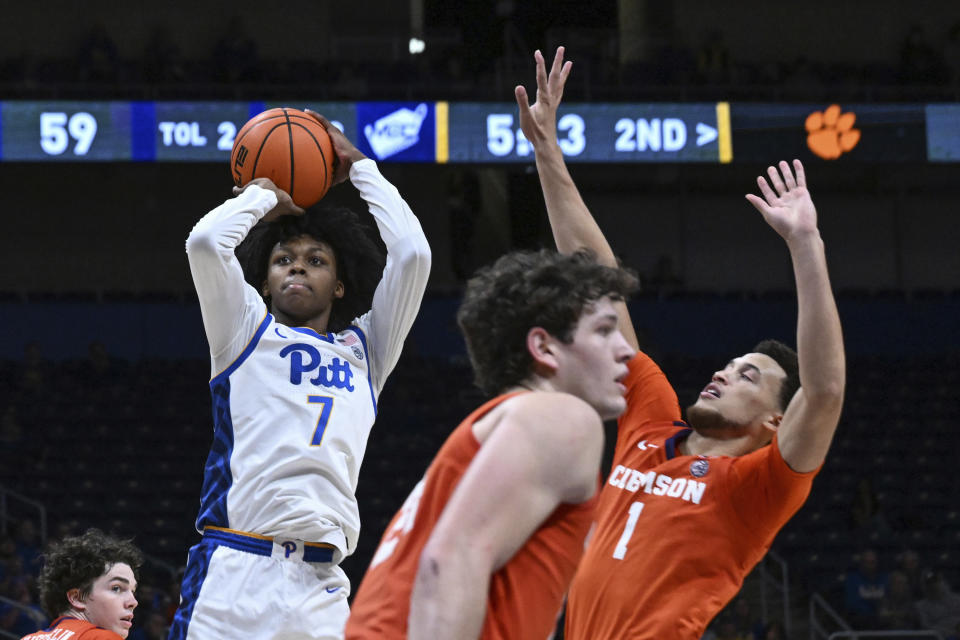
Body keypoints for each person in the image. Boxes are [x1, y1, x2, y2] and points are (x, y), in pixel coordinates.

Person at [515, 47, 846, 640]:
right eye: (728, 364)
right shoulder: (649, 421)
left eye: (748, 376)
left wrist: (805, 245)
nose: (722, 374)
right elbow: (599, 282)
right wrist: (547, 152)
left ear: (775, 421)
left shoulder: (758, 488)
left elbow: (823, 391)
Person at [168, 110, 431, 640]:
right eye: (284, 258)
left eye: (316, 260)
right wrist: (264, 195)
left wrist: (361, 168)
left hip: (320, 585)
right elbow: (205, 243)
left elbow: (413, 253)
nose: (297, 266)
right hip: (233, 569)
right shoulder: (242, 330)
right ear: (264, 282)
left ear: (339, 285)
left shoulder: (367, 349)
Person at [344, 249, 638, 639]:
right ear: (545, 347)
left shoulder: (501, 427)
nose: (627, 349)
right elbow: (448, 562)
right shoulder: (560, 417)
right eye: (604, 330)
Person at [21, 528, 141, 639]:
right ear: (77, 598)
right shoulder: (101, 637)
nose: (133, 602)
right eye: (116, 588)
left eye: (133, 591)